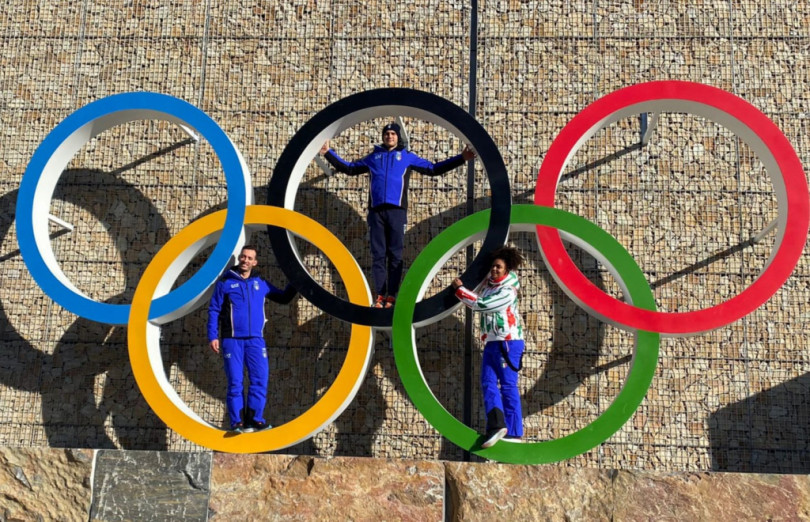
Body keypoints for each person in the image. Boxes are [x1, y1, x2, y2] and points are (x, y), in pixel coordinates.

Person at [321, 122, 476, 308]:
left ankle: (391, 296)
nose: (389, 136)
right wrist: (327, 153)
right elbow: (350, 168)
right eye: (387, 133)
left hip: (397, 212)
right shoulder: (373, 157)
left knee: (395, 254)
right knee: (378, 255)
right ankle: (380, 296)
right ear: (383, 136)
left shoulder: (407, 157)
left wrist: (462, 158)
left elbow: (433, 169)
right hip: (376, 212)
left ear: (398, 136)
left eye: (393, 133)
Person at [207, 245, 297, 433]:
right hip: (232, 340)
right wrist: (212, 336)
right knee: (235, 381)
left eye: (249, 258)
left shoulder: (260, 282)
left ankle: (254, 420)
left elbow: (283, 297)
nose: (245, 260)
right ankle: (237, 422)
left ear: (255, 262)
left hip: (256, 341)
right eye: (243, 257)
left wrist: (298, 280)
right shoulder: (225, 282)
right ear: (239, 259)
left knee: (260, 379)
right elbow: (214, 309)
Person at [452, 245, 526, 448]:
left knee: (508, 385)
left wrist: (460, 291)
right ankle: (496, 425)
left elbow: (483, 304)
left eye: (499, 267)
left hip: (509, 342)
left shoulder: (508, 290)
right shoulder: (489, 284)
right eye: (493, 266)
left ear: (507, 269)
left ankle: (515, 432)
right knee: (487, 382)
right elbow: (480, 288)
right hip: (492, 342)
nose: (494, 270)